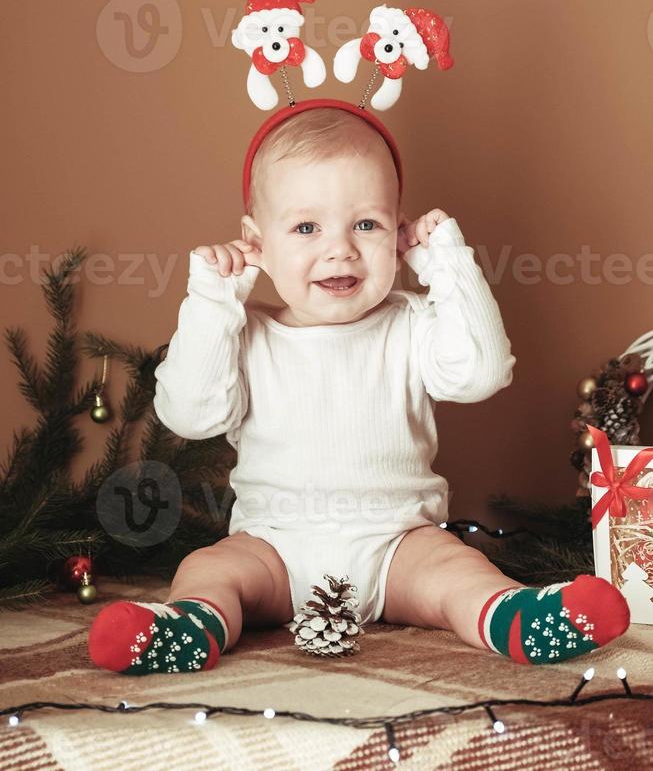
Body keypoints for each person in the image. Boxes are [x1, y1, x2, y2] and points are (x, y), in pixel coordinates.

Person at [88, 104, 629, 675]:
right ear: (257, 242)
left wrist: (448, 265)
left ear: (400, 233)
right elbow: (189, 414)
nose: (340, 249)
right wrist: (212, 303)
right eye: (305, 228)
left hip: (399, 546)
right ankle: (189, 626)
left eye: (366, 225)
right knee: (210, 568)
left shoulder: (413, 323)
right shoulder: (244, 334)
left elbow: (482, 371)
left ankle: (513, 617)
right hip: (275, 549)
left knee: (457, 571)